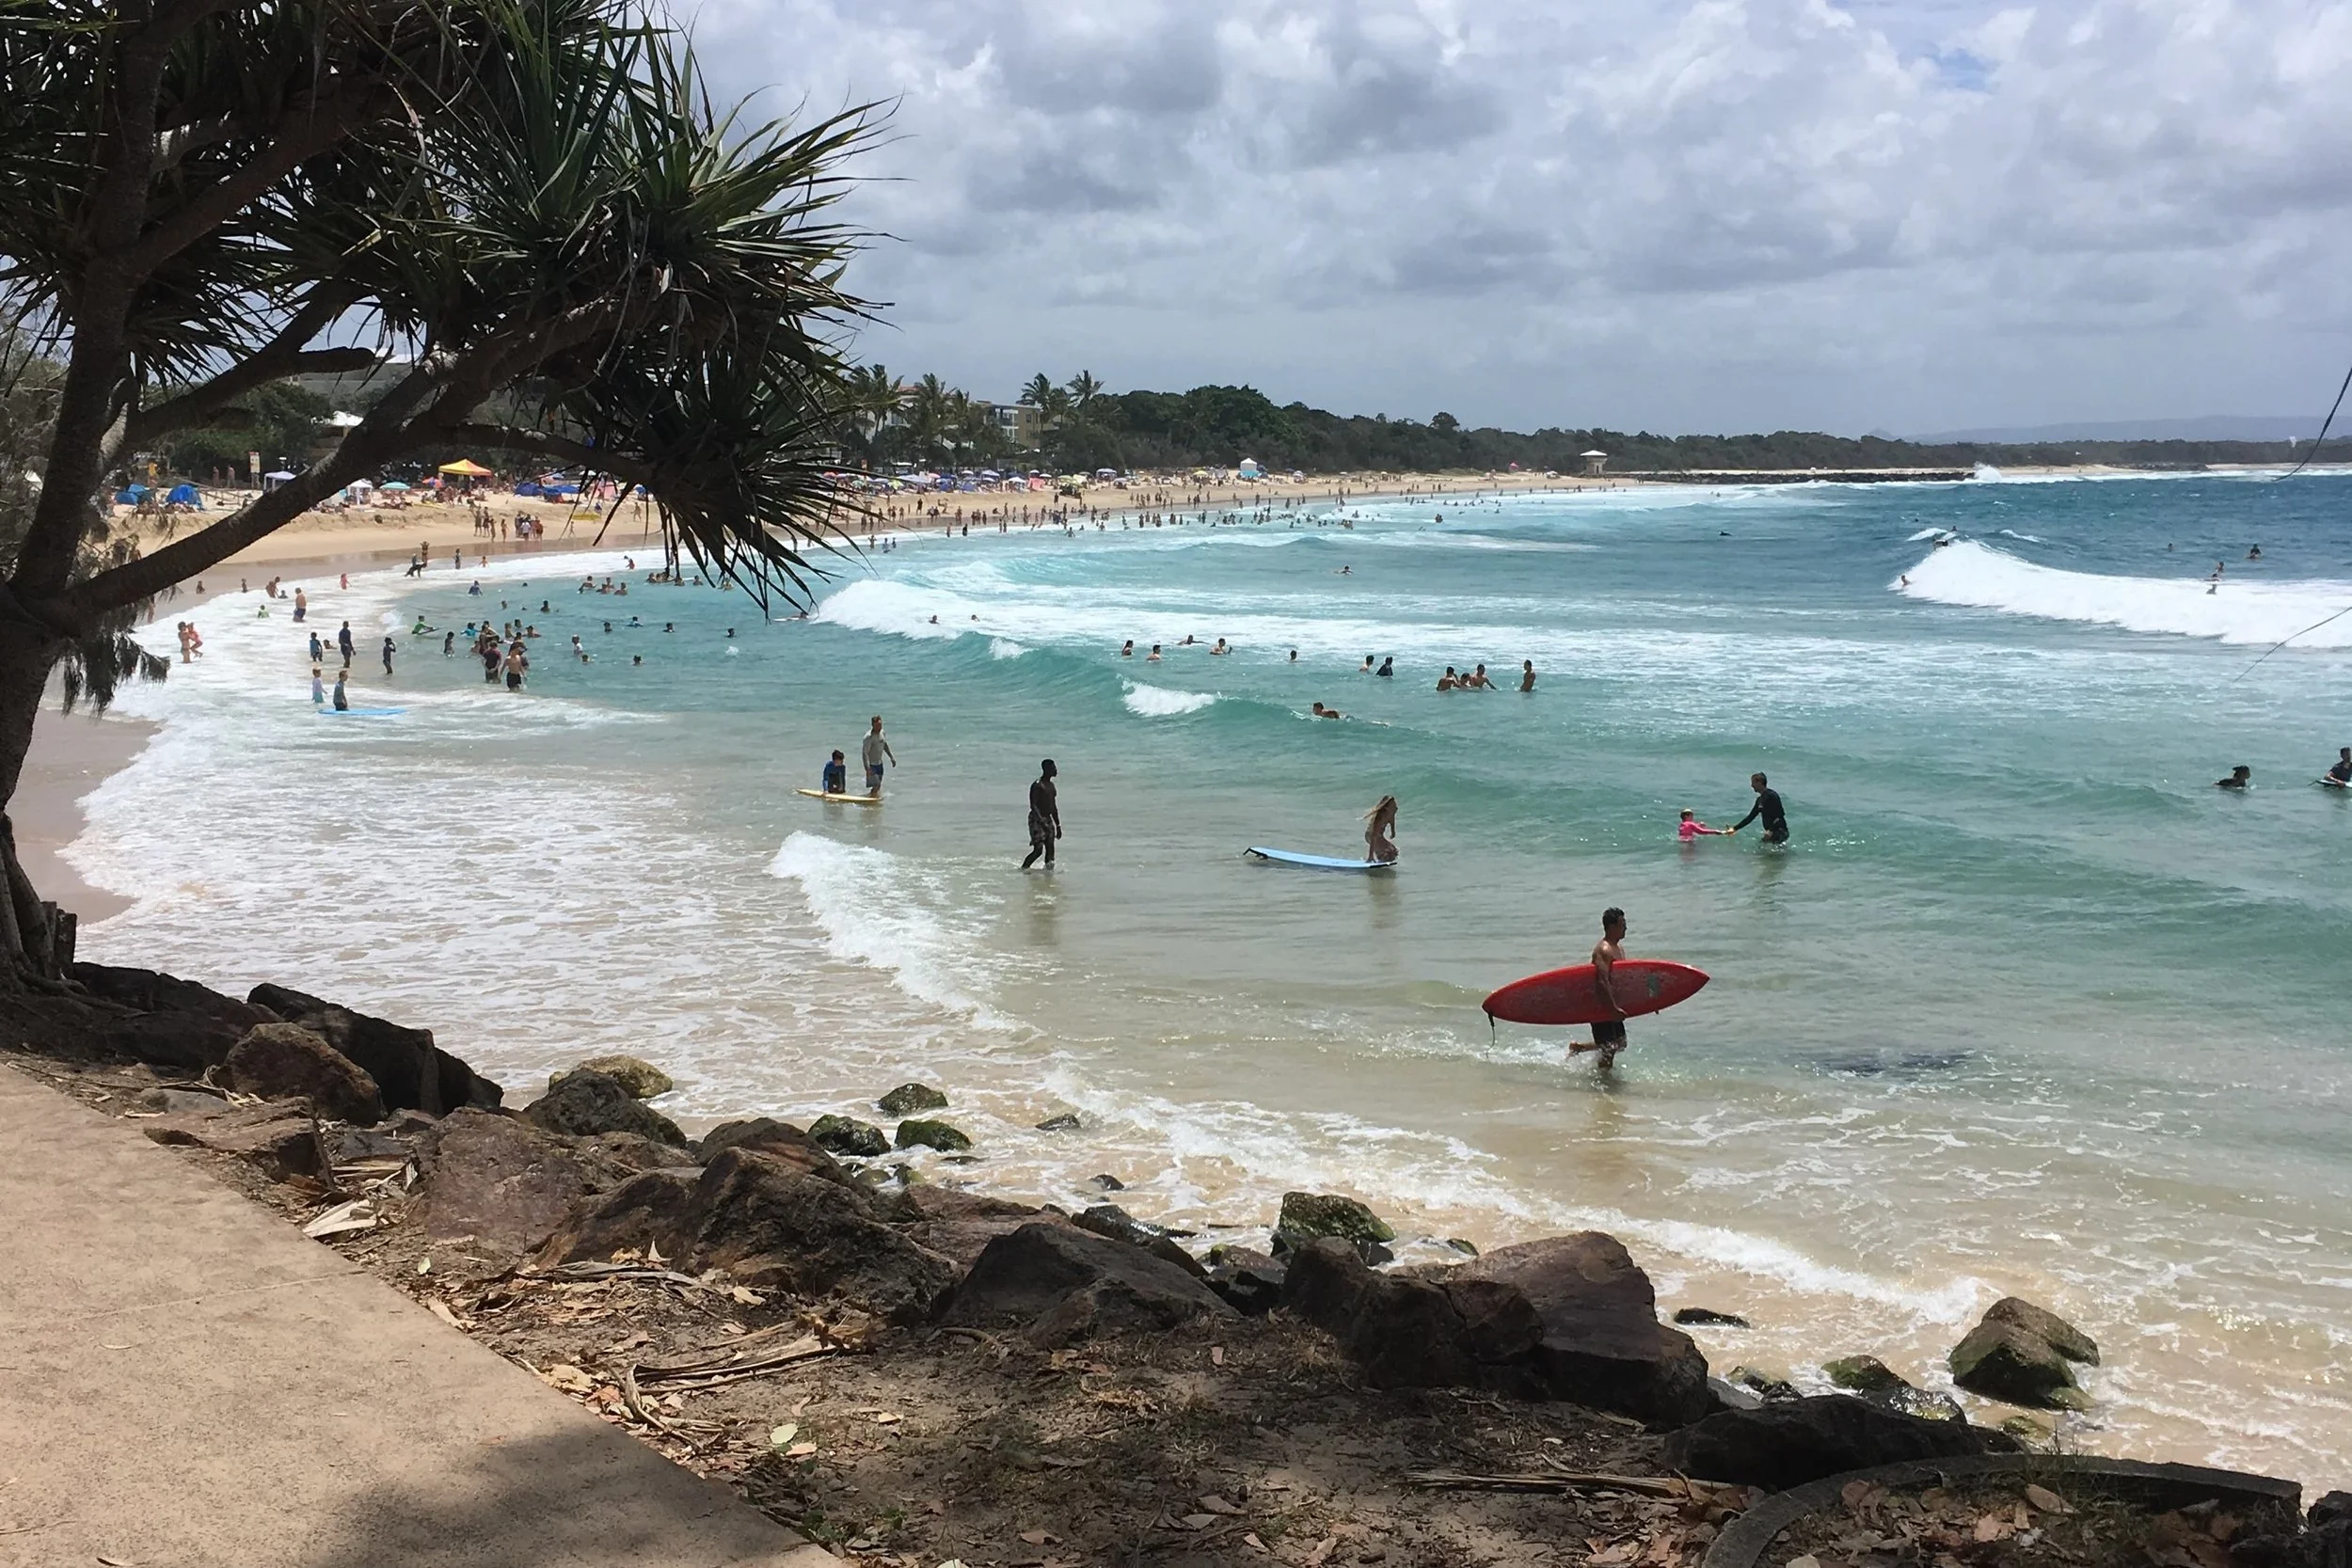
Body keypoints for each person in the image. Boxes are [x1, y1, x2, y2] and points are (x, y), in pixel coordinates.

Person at [1569, 908, 1631, 1069]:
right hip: (1601, 1005)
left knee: (1619, 1043)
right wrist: (1612, 1009)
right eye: (1622, 924)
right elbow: (1602, 982)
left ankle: (1579, 1048)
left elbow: (1623, 980)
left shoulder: (1619, 948)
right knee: (1608, 1050)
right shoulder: (1603, 950)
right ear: (1611, 927)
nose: (1626, 928)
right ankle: (1603, 1087)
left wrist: (1651, 1002)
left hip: (1611, 1004)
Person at [1022, 759, 1061, 868]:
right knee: (1038, 850)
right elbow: (1033, 805)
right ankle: (1024, 869)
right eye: (1053, 768)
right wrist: (1042, 822)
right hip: (1037, 819)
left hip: (1048, 819)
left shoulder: (1052, 786)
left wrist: (1058, 825)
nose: (1056, 770)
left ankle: (1048, 878)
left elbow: (1053, 807)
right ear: (1047, 769)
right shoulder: (1037, 785)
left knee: (1050, 849)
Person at [1728, 772, 1789, 844]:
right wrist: (1735, 828)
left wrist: (1771, 830)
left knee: (1775, 852)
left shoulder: (1772, 796)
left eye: (1753, 782)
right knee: (1761, 848)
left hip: (1780, 831)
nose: (1751, 785)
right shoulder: (1759, 800)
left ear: (1760, 782)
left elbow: (1780, 816)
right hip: (1770, 833)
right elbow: (1750, 817)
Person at [862, 715, 897, 798]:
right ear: (872, 725)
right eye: (877, 725)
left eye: (880, 725)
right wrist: (867, 768)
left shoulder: (882, 733)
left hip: (880, 764)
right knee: (876, 785)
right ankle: (871, 802)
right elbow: (865, 753)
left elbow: (884, 745)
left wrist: (891, 757)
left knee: (878, 785)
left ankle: (872, 799)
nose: (879, 727)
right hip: (872, 765)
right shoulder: (868, 737)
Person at [1364, 795, 1398, 863]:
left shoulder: (1391, 813)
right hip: (1371, 835)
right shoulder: (1380, 817)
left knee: (1394, 852)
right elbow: (1374, 836)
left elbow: (1392, 821)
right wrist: (1370, 856)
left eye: (1395, 803)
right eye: (1393, 804)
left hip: (1379, 836)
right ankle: (1376, 862)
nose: (1395, 806)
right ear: (1387, 807)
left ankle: (1380, 862)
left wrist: (1393, 831)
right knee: (1390, 852)